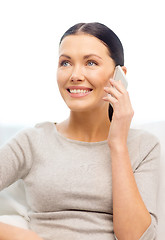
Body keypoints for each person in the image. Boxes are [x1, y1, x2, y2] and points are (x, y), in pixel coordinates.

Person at [0, 22, 160, 240]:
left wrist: (118, 145)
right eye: (65, 63)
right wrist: (23, 237)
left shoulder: (145, 146)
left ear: (119, 75)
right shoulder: (32, 141)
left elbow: (134, 237)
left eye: (91, 62)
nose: (75, 75)